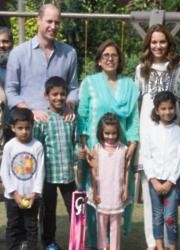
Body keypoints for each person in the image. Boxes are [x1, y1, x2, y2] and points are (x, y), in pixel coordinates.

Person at [134, 24, 180, 250]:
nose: (158, 46)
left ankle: (170, 242)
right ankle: (153, 242)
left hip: (173, 135)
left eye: (162, 41)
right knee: (150, 191)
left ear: (169, 43)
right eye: (154, 42)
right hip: (149, 134)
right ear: (148, 44)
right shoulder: (141, 69)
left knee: (171, 192)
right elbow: (136, 102)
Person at [77, 40, 139, 248]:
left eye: (114, 55)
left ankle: (114, 244)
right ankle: (95, 243)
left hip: (120, 150)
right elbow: (83, 114)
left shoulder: (129, 85)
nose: (110, 58)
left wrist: (132, 144)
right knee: (95, 194)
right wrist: (85, 143)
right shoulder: (89, 82)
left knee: (117, 194)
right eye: (106, 55)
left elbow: (133, 119)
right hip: (95, 150)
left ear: (119, 59)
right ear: (99, 61)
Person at [5, 4, 78, 122]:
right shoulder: (18, 53)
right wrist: (29, 111)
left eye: (57, 22)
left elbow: (73, 88)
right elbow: (11, 91)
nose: (53, 26)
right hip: (28, 125)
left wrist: (69, 106)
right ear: (38, 20)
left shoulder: (69, 53)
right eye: (49, 21)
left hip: (59, 123)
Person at [33, 76, 77, 249]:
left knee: (75, 210)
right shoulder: (42, 120)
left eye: (62, 94)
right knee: (48, 212)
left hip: (67, 174)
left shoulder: (71, 118)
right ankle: (49, 242)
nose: (59, 98)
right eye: (55, 94)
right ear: (46, 95)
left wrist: (78, 153)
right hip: (48, 176)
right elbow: (37, 148)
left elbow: (75, 143)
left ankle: (78, 239)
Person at [142, 91, 180, 250]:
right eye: (163, 108)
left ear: (175, 108)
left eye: (171, 108)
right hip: (154, 182)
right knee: (157, 216)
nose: (167, 112)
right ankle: (159, 246)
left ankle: (172, 246)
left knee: (170, 217)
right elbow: (146, 156)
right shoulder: (150, 132)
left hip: (171, 183)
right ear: (157, 110)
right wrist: (153, 180)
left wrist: (170, 181)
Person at [0, 107, 44, 250]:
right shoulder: (9, 146)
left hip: (32, 197)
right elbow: (4, 172)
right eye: (20, 128)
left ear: (32, 126)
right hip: (13, 197)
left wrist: (34, 193)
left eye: (27, 128)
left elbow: (40, 171)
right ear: (13, 128)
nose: (24, 131)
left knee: (31, 226)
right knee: (13, 226)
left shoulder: (37, 146)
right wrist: (14, 193)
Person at [86, 113, 129, 250]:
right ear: (101, 132)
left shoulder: (123, 149)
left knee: (115, 226)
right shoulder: (97, 149)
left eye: (114, 133)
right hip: (101, 194)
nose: (111, 137)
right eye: (107, 133)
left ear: (118, 132)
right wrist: (94, 191)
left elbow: (126, 171)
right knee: (101, 227)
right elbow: (94, 172)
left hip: (117, 194)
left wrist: (126, 189)